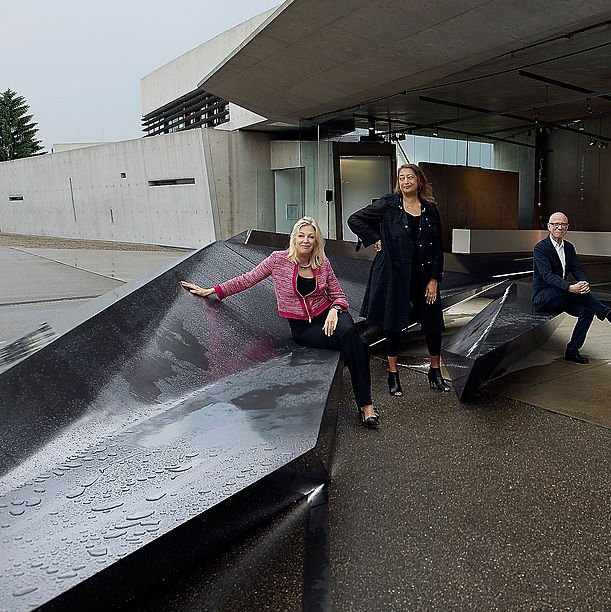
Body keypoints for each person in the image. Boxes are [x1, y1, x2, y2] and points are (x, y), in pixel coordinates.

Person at [180, 216, 379, 428]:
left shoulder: (322, 263)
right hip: (304, 328)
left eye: (311, 237)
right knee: (360, 345)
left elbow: (339, 295)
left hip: (331, 315)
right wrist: (214, 291)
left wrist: (335, 309)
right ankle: (364, 398)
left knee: (349, 333)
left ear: (316, 241)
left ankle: (366, 406)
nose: (306, 240)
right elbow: (248, 278)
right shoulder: (278, 260)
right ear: (294, 237)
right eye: (301, 235)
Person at [347, 163, 449, 396]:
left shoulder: (430, 209)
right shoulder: (388, 205)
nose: (405, 181)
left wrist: (435, 279)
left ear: (418, 180)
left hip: (424, 276)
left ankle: (435, 371)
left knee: (433, 324)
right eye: (401, 178)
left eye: (409, 177)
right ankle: (393, 375)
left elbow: (438, 248)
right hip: (394, 274)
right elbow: (355, 220)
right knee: (392, 325)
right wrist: (374, 237)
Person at [532, 212, 611, 363]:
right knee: (570, 289)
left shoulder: (569, 247)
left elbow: (577, 269)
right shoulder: (541, 248)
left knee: (588, 311)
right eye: (556, 224)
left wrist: (583, 282)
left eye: (563, 224)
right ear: (549, 227)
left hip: (563, 296)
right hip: (544, 297)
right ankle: (609, 315)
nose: (559, 227)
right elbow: (547, 276)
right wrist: (570, 288)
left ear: (567, 228)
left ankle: (572, 351)